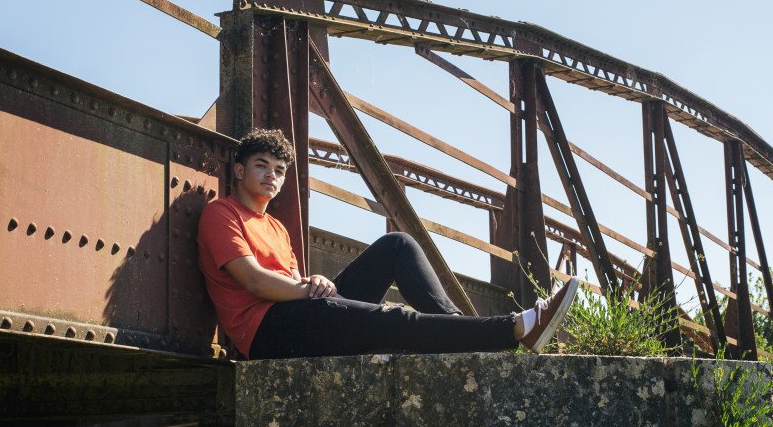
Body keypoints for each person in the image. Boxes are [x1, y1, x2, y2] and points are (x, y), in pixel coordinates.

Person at [197, 128, 580, 360]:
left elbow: (292, 280)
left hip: (300, 315)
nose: (272, 175)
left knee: (397, 243)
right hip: (265, 334)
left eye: (280, 170)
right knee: (391, 318)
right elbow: (254, 281)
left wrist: (311, 283)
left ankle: (459, 330)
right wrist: (307, 289)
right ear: (239, 170)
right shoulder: (221, 214)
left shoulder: (276, 227)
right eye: (262, 165)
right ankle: (516, 327)